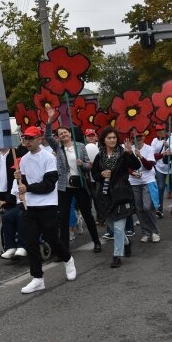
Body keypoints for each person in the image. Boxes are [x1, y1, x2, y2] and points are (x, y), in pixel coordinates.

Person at [16, 126, 76, 293]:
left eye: (30, 138)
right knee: (30, 242)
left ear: (39, 139)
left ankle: (68, 259)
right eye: (24, 138)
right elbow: (23, 185)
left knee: (52, 239)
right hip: (30, 206)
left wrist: (27, 187)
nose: (26, 141)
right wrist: (19, 181)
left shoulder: (49, 158)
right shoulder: (24, 159)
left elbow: (49, 185)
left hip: (47, 204)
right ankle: (37, 278)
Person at [43, 109, 101, 253]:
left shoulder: (80, 146)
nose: (63, 135)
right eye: (60, 134)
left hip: (80, 185)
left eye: (65, 132)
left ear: (70, 133)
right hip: (64, 187)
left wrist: (83, 164)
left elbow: (89, 165)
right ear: (59, 137)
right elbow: (47, 135)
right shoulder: (58, 147)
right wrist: (50, 120)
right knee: (63, 218)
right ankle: (64, 249)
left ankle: (96, 241)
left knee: (87, 214)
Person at [92, 127, 139, 268]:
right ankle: (126, 243)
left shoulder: (123, 153)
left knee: (118, 227)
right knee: (111, 225)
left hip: (121, 194)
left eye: (114, 138)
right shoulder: (99, 156)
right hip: (105, 195)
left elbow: (137, 165)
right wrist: (101, 174)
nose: (112, 140)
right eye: (109, 138)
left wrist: (130, 154)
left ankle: (117, 255)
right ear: (103, 140)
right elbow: (94, 175)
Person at [128, 132, 161, 244]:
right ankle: (146, 232)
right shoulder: (129, 149)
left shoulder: (149, 149)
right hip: (134, 182)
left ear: (144, 137)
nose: (138, 139)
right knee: (139, 209)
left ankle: (155, 232)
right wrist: (132, 173)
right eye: (135, 137)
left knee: (148, 207)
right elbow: (127, 167)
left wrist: (141, 156)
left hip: (147, 181)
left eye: (140, 136)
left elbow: (149, 166)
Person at [0, 159, 27, 259]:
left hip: (30, 205)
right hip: (18, 205)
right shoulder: (15, 181)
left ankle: (22, 246)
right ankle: (10, 247)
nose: (15, 172)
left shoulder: (30, 177)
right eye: (15, 170)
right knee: (7, 216)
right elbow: (13, 196)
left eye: (18, 169)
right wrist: (4, 202)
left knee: (21, 215)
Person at [150, 125, 172, 217]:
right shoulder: (154, 141)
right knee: (160, 187)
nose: (159, 132)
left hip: (171, 167)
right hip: (160, 167)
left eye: (161, 130)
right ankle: (160, 210)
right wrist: (162, 153)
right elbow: (152, 154)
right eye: (157, 130)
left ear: (165, 130)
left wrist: (168, 146)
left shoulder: (171, 138)